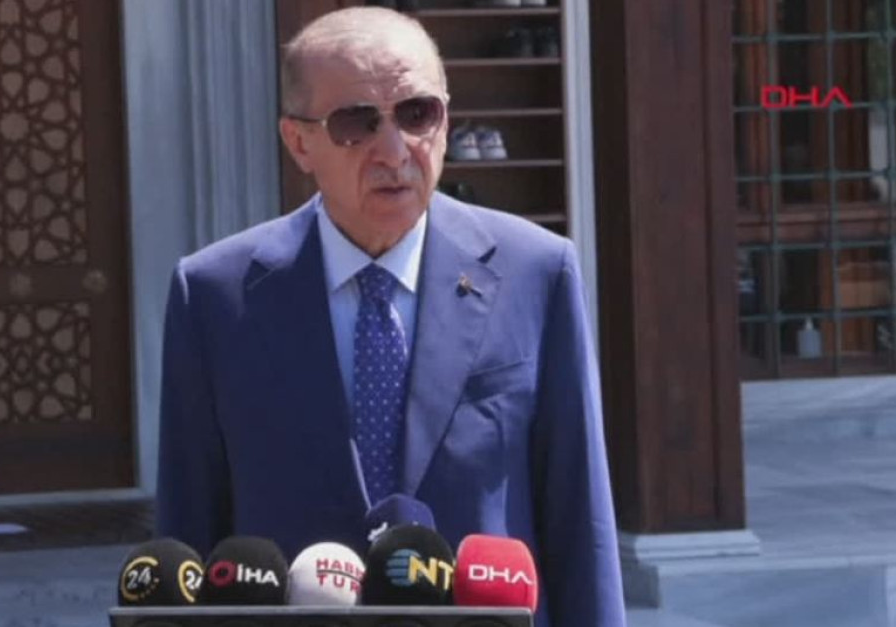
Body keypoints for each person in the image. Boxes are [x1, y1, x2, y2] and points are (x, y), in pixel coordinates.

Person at [156, 7, 625, 626]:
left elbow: (578, 514)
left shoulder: (537, 271)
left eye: (417, 114)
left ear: (445, 121)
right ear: (299, 142)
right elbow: (188, 526)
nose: (395, 150)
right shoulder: (216, 295)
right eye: (357, 123)